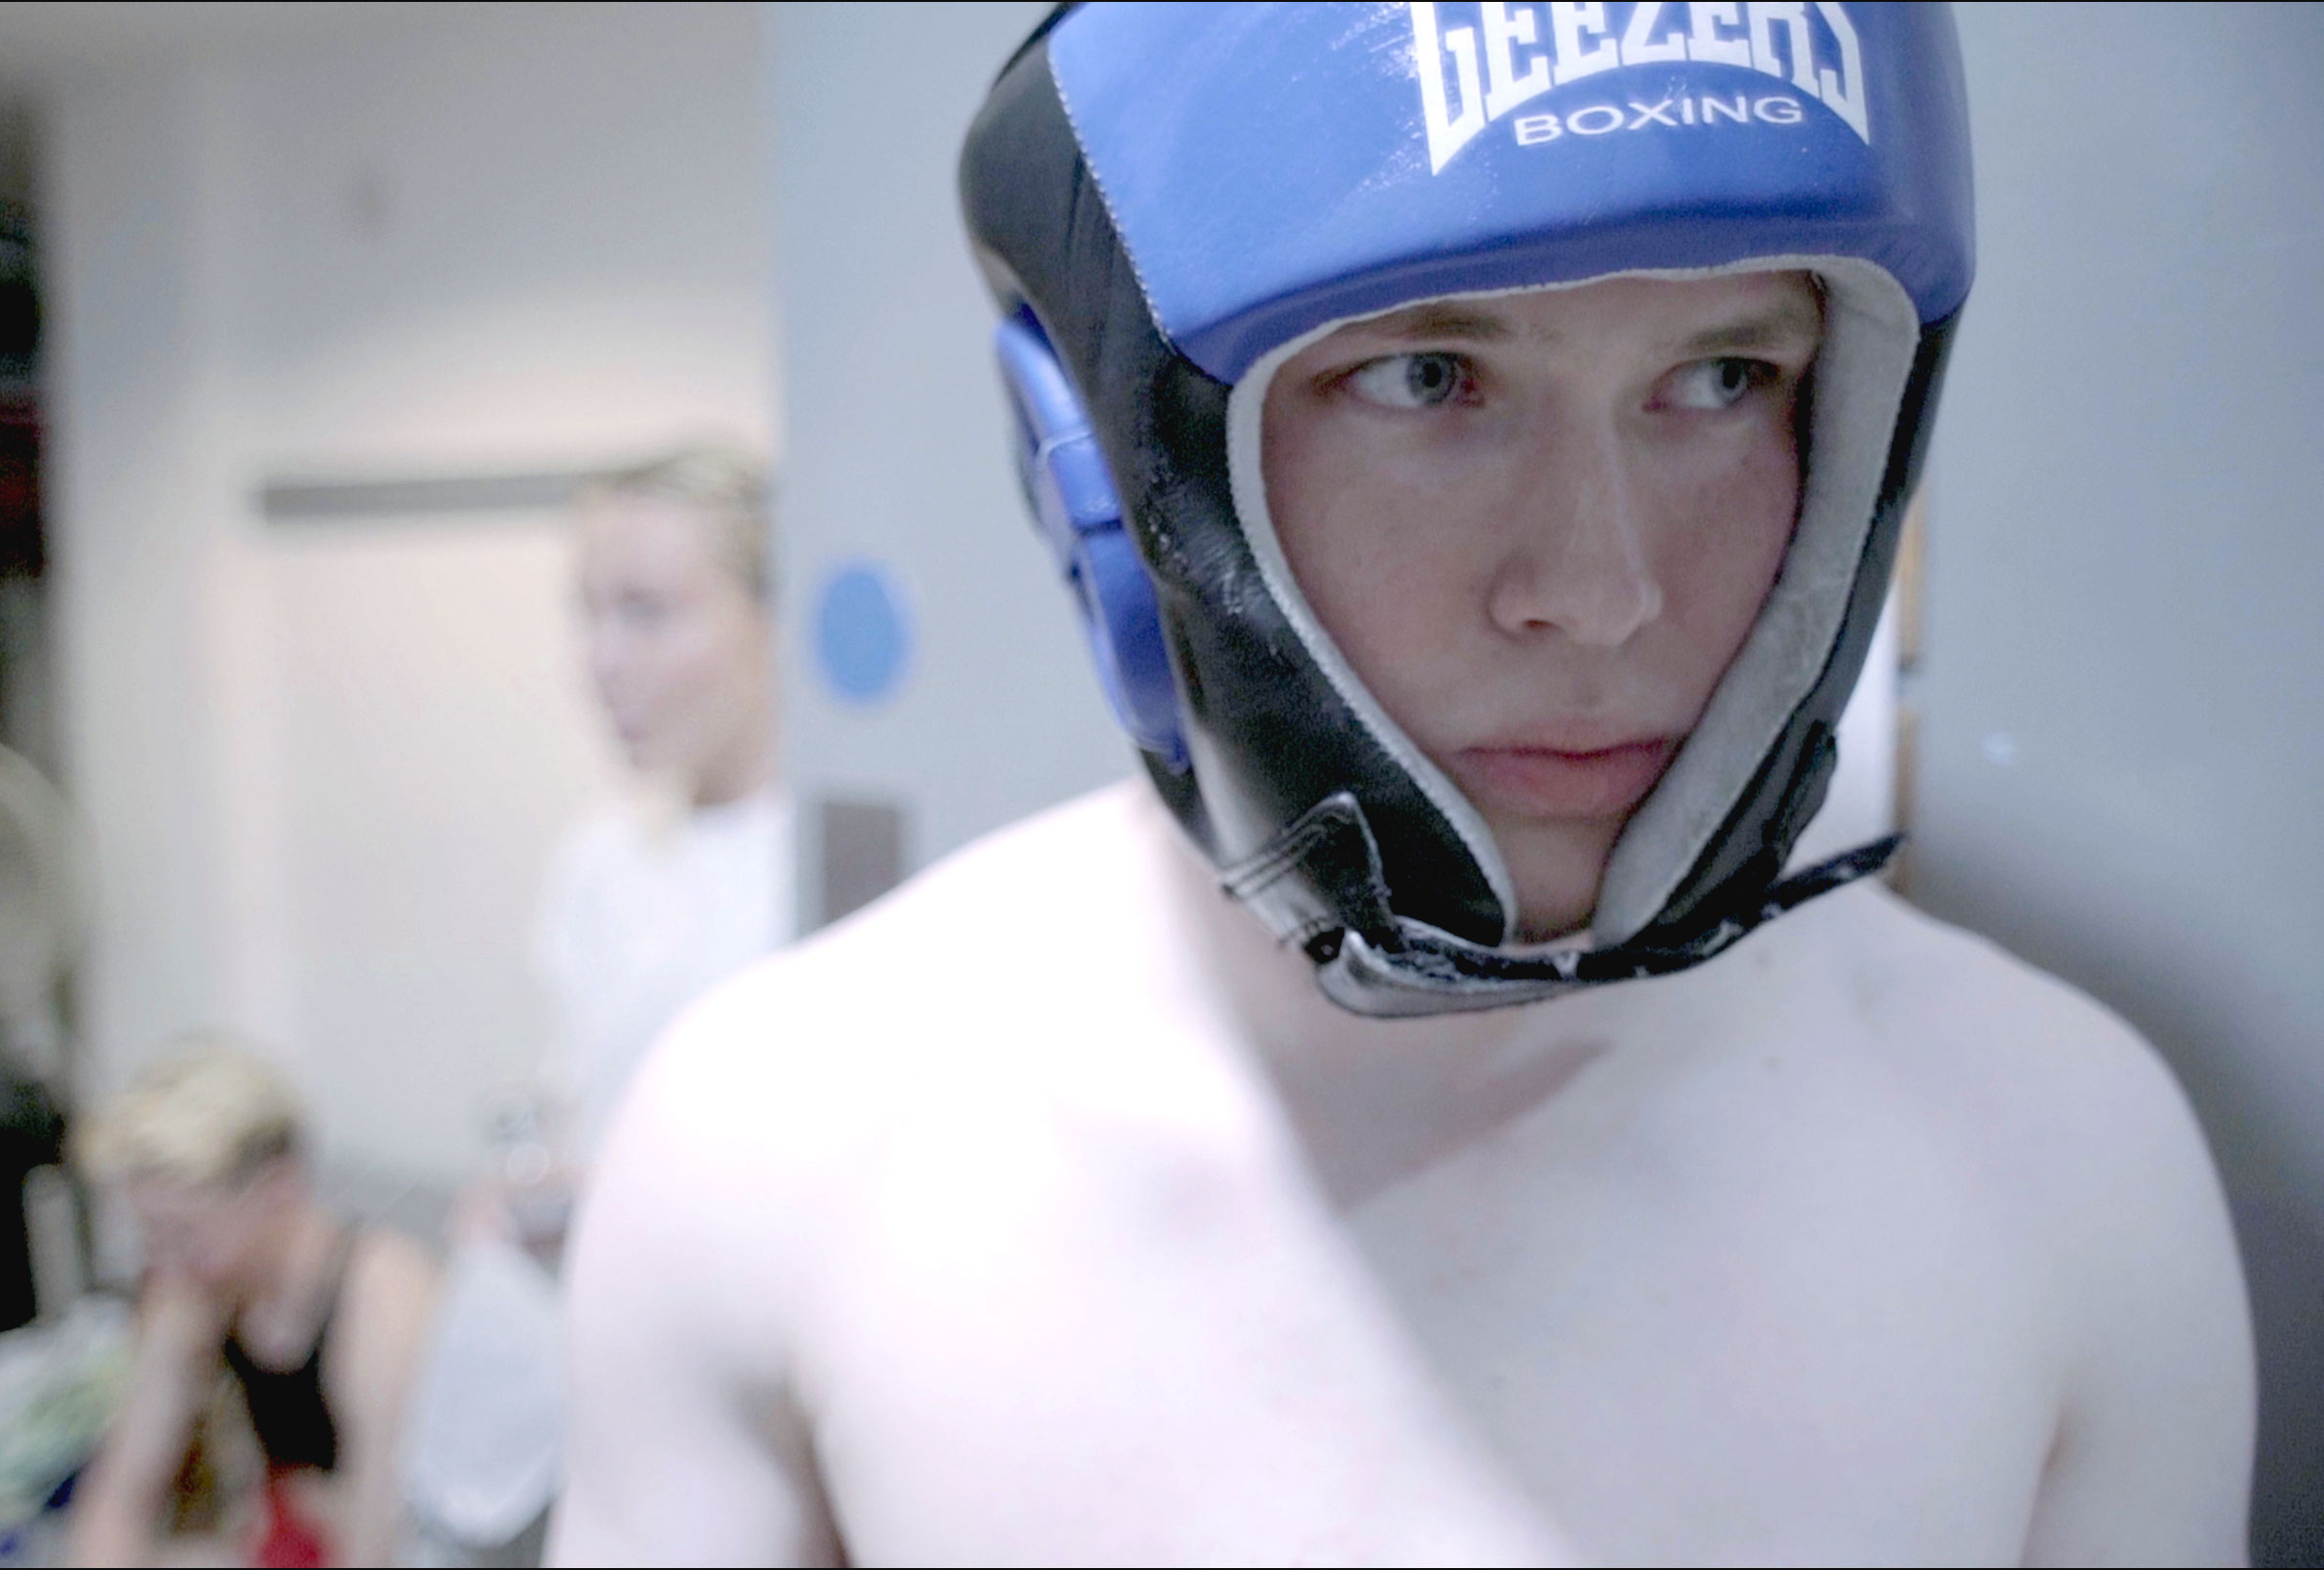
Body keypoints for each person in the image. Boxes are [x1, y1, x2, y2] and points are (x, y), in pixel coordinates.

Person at [551, 5, 2254, 1564]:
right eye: (1430, 377)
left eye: (1723, 377)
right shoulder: (780, 1145)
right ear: (1116, 472)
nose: (1600, 590)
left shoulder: (2067, 1159)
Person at [69, 1044, 437, 1567]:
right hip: (296, 1535)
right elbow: (120, 1498)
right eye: (152, 1235)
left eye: (185, 1234)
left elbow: (385, 1539)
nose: (166, 1263)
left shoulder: (384, 1299)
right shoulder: (192, 1291)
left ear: (278, 1187)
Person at [533, 448, 791, 1175]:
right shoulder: (598, 859)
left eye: (645, 612)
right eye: (590, 614)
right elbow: (580, 1112)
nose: (601, 660)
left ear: (772, 615)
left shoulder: (834, 865)